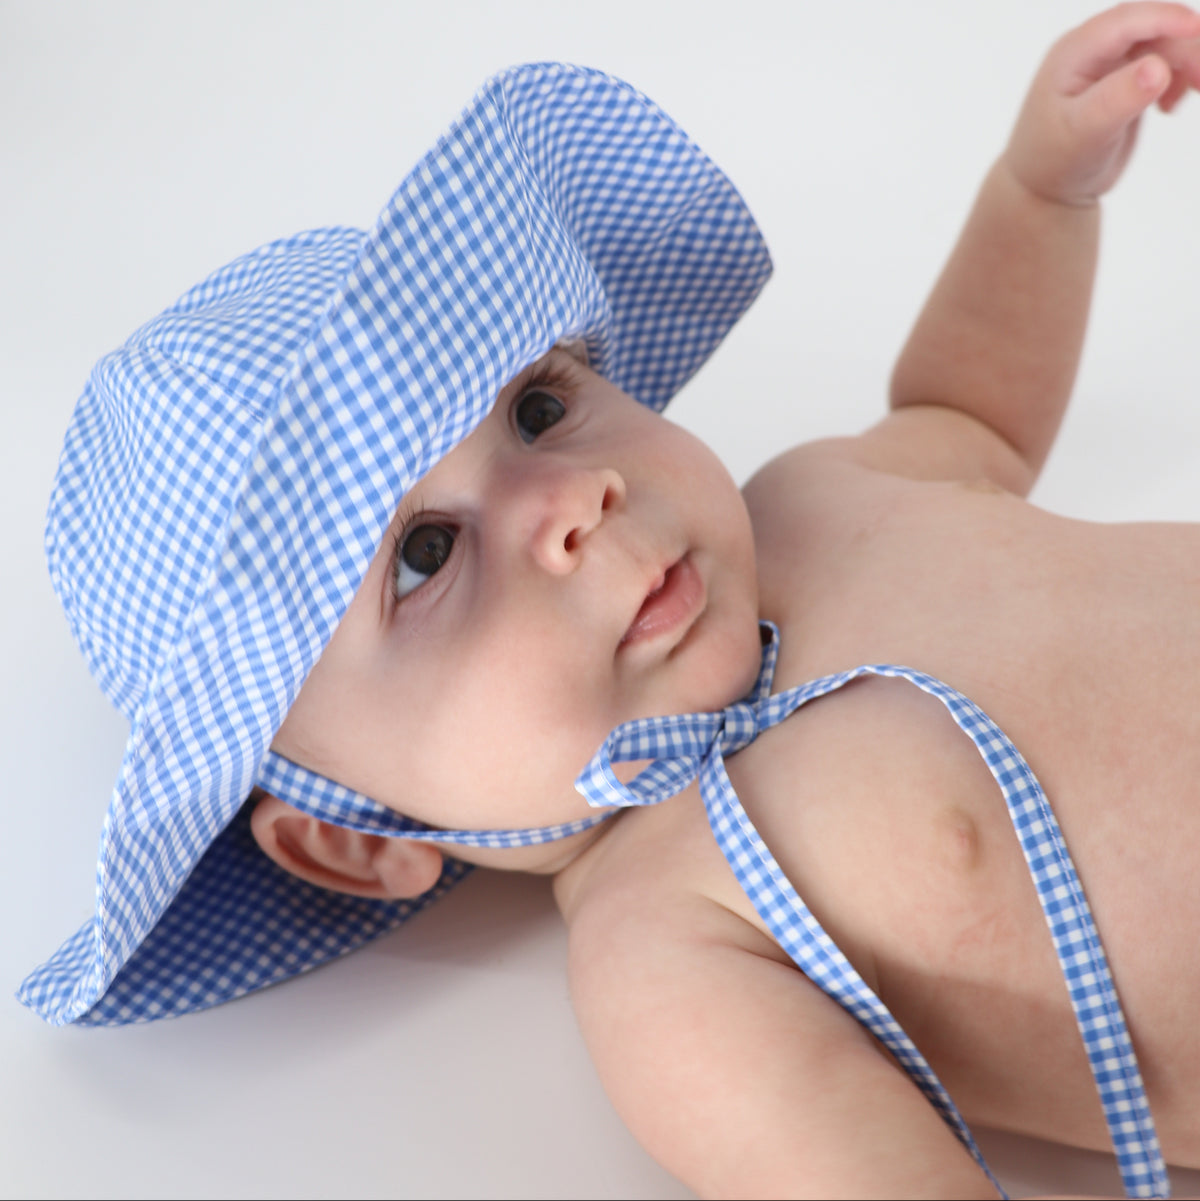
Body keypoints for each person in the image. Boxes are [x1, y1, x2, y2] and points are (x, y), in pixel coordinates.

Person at [19, 3, 1200, 1197]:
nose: (575, 498)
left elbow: (971, 418)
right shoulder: (671, 947)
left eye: (537, 408)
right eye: (423, 557)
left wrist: (1042, 194)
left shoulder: (815, 496)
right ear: (356, 836)